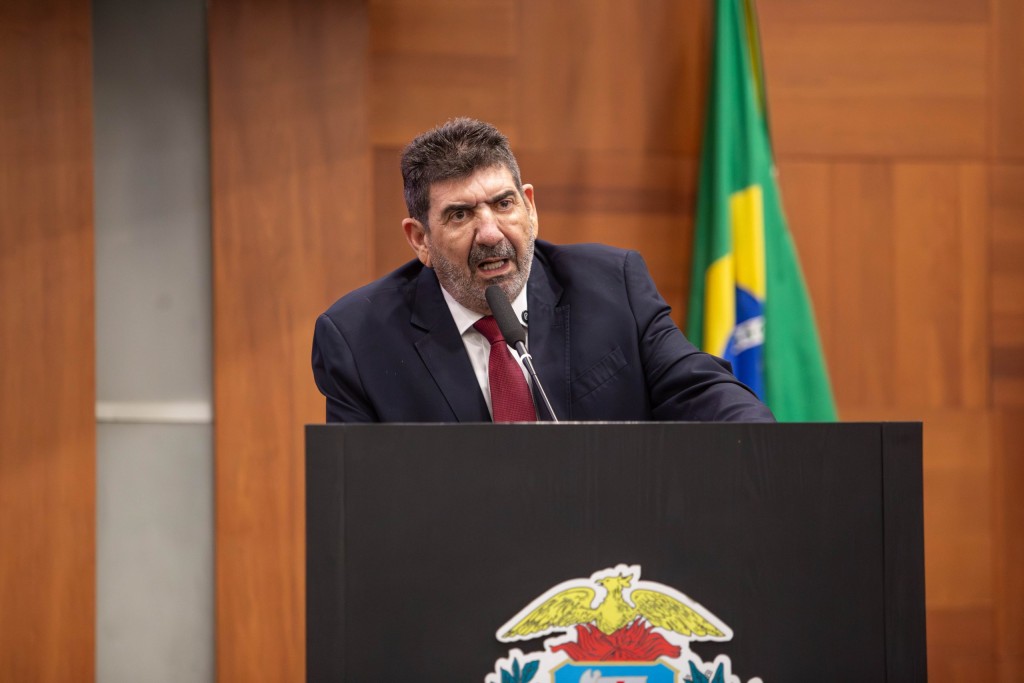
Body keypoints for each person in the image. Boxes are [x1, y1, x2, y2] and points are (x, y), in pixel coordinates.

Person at [312, 118, 774, 423]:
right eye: (460, 215)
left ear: (529, 208)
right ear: (420, 239)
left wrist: (767, 447)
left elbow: (703, 391)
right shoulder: (359, 339)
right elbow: (356, 501)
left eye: (503, 204)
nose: (489, 233)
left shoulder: (612, 286)